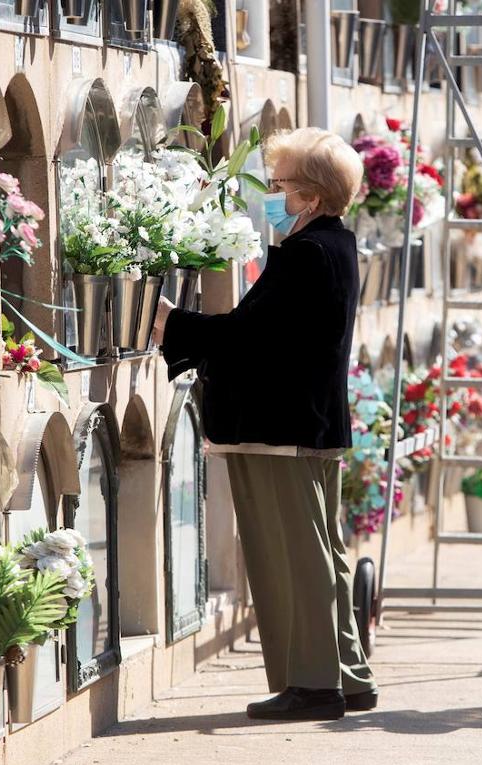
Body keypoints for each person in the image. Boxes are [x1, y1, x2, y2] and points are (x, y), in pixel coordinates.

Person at [152, 127, 377, 721]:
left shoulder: (306, 254)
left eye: (279, 186)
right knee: (322, 550)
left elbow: (254, 338)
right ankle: (347, 675)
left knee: (291, 553)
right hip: (309, 423)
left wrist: (172, 324)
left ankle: (311, 685)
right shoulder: (335, 244)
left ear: (311, 194)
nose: (272, 196)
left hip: (280, 425)